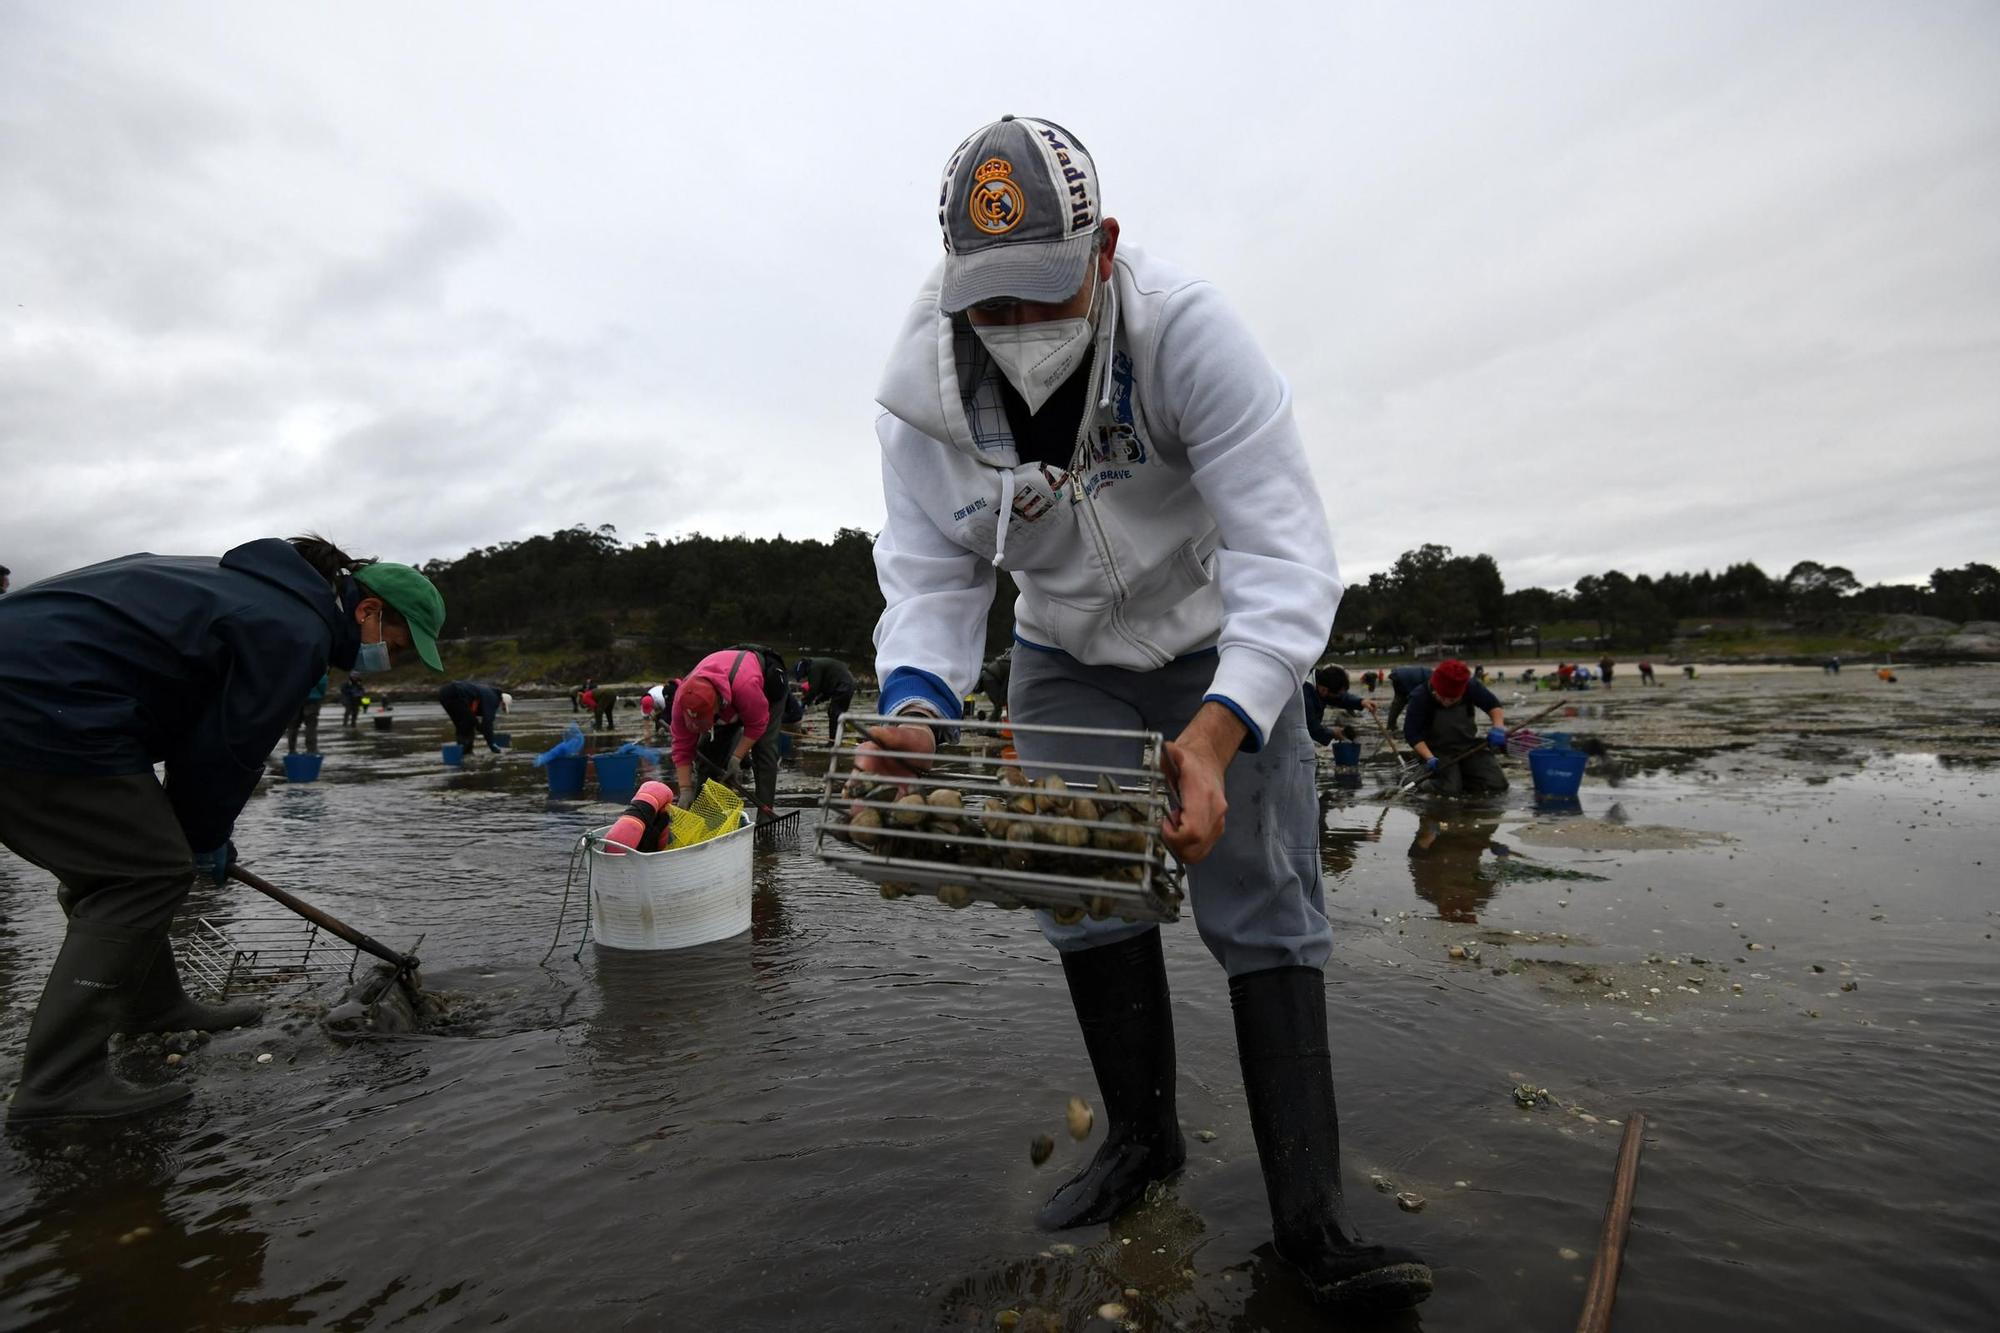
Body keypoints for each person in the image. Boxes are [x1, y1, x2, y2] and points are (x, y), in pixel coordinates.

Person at [855, 115, 1430, 1310]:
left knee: (1262, 905)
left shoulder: (1188, 334)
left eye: (1041, 296)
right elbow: (930, 578)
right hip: (1060, 647)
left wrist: (1220, 732)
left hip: (1214, 635)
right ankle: (1139, 1137)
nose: (1015, 331)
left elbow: (1287, 558)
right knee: (1083, 884)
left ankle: (1309, 1222)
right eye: (988, 306)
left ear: (1103, 249)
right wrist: (914, 702)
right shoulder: (918, 398)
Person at [0, 535, 444, 1123]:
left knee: (132, 863)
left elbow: (197, 737)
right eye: (398, 644)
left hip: (58, 697)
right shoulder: (293, 629)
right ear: (368, 612)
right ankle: (58, 1087)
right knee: (142, 874)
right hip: (37, 704)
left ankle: (152, 1008)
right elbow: (225, 752)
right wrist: (201, 835)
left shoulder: (256, 591)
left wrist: (196, 831)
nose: (393, 658)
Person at [669, 648, 780, 819]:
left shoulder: (745, 686)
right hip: (727, 694)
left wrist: (736, 757)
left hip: (767, 685)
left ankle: (765, 821)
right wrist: (685, 789)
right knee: (708, 752)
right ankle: (703, 817)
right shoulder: (681, 700)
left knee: (764, 751)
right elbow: (682, 746)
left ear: (717, 706)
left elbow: (757, 725)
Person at [1402, 659, 1509, 796]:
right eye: (1443, 697)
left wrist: (1498, 727)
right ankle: (1421, 778)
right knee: (1449, 789)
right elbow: (1412, 734)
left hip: (1468, 745)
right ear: (1435, 689)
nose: (1447, 703)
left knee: (1497, 785)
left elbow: (1493, 705)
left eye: (1453, 699)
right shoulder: (1420, 697)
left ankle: (1462, 776)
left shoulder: (1471, 686)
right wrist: (1429, 757)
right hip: (1437, 751)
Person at [1304, 665, 1369, 747]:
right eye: (1337, 694)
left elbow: (1339, 698)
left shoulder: (1322, 680)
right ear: (1324, 691)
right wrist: (1333, 733)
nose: (1339, 697)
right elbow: (1312, 727)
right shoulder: (1305, 695)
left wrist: (1361, 702)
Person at [794, 656, 857, 740]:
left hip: (844, 685)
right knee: (835, 713)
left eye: (803, 676)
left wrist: (804, 703)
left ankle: (833, 741)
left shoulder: (814, 667)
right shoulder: (817, 666)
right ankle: (841, 735)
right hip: (845, 684)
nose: (804, 678)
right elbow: (827, 686)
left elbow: (814, 689)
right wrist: (820, 699)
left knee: (834, 712)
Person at [438, 680, 509, 752]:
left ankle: (460, 752)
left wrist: (480, 728)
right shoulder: (493, 698)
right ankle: (465, 753)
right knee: (468, 724)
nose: (501, 709)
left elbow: (473, 716)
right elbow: (487, 722)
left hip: (443, 693)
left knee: (462, 725)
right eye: (503, 707)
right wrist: (492, 744)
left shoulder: (486, 693)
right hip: (456, 692)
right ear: (502, 702)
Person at [286, 672, 329, 754]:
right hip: (312, 699)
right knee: (310, 725)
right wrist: (320, 694)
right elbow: (322, 682)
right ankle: (311, 750)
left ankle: (291, 750)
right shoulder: (316, 661)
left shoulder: (293, 665)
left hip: (295, 698)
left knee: (293, 726)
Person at [1384, 663, 1431, 731]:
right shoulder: (1432, 679)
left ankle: (1391, 725)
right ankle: (1394, 726)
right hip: (1403, 678)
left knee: (1398, 704)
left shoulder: (1430, 674)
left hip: (1398, 674)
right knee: (1403, 702)